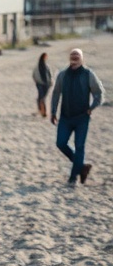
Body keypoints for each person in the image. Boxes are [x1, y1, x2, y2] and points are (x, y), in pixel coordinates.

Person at [50, 48, 105, 186]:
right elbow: (56, 93)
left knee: (80, 146)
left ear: (82, 58)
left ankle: (73, 177)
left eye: (77, 55)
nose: (74, 56)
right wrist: (53, 112)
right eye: (72, 54)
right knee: (60, 143)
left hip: (82, 118)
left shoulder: (88, 74)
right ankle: (82, 167)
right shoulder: (62, 75)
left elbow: (99, 93)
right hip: (65, 117)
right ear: (69, 58)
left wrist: (92, 107)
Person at [32, 52, 53, 117]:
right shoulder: (38, 67)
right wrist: (37, 81)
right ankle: (43, 112)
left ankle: (41, 111)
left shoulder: (46, 66)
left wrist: (50, 81)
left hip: (45, 84)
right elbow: (34, 75)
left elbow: (49, 75)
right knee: (41, 98)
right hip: (41, 84)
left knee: (42, 98)